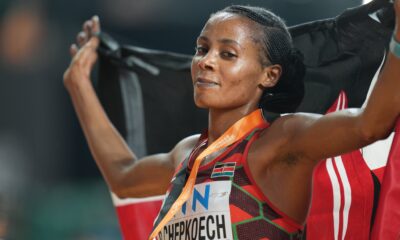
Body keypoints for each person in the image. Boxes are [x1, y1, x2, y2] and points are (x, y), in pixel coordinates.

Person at [63, 2, 400, 239]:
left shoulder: (279, 142)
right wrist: (78, 83)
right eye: (201, 49)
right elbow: (123, 177)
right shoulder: (186, 155)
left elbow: (370, 124)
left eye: (227, 54)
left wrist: (398, 41)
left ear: (269, 75)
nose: (205, 62)